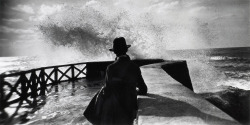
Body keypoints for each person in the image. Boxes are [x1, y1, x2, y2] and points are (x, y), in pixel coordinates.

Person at [84, 37, 148, 125]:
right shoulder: (134, 67)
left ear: (114, 52)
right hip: (130, 105)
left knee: (100, 94)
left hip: (115, 108)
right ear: (126, 50)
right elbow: (144, 89)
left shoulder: (111, 68)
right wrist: (133, 91)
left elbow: (107, 90)